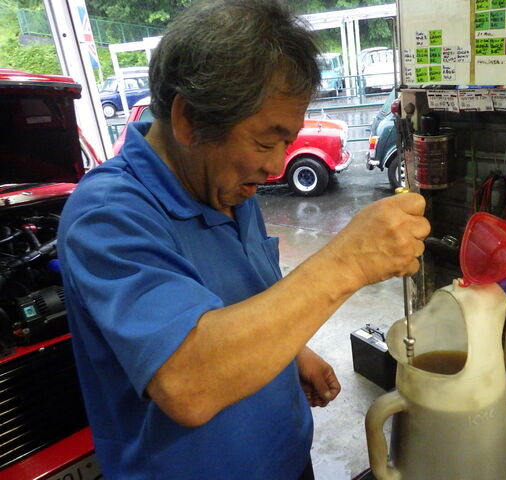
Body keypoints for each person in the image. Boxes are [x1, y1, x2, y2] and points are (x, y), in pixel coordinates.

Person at [57, 1, 430, 479]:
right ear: (190, 118)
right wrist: (348, 262)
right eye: (265, 141)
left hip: (288, 460)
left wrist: (293, 352)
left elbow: (244, 300)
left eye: (286, 142)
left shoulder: (228, 187)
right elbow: (188, 383)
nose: (275, 166)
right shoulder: (108, 216)